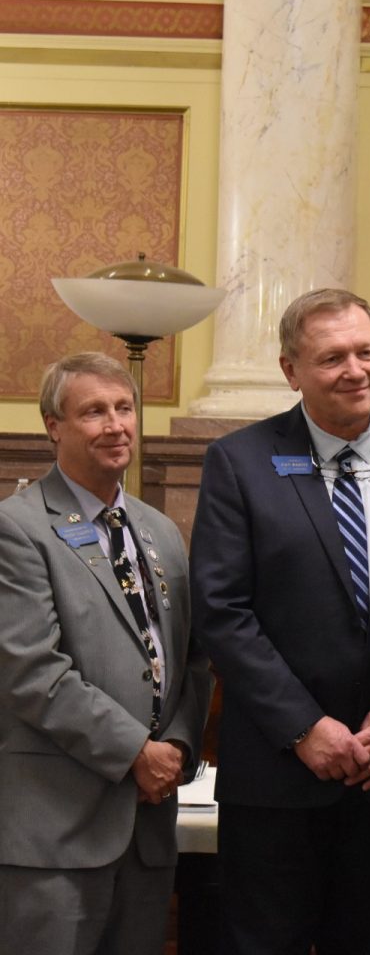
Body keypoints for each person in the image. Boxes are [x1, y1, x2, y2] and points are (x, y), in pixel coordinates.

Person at [190, 288, 370, 955]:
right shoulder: (239, 461)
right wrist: (304, 728)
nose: (355, 370)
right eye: (331, 357)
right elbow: (222, 611)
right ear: (291, 371)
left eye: (366, 352)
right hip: (278, 780)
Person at [0, 352, 212, 955]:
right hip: (54, 834)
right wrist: (134, 753)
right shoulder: (16, 529)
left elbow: (190, 659)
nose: (116, 425)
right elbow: (31, 671)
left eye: (125, 408)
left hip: (146, 831)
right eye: (93, 411)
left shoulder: (158, 529)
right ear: (53, 426)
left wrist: (176, 747)